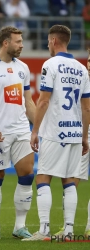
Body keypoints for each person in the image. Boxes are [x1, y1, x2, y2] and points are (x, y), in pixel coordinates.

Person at [23, 24, 90, 241]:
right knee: (70, 181)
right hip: (75, 132)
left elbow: (43, 101)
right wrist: (84, 136)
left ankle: (44, 230)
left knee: (43, 177)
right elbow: (87, 107)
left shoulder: (50, 65)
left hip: (55, 132)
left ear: (53, 41)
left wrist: (35, 131)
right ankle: (69, 231)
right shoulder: (82, 69)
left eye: (48, 41)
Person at [0, 26, 36, 240]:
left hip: (21, 130)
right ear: (5, 43)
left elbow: (28, 101)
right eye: (18, 41)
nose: (22, 45)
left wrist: (37, 128)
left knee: (27, 175)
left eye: (21, 41)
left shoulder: (23, 68)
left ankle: (20, 226)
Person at [53, 49, 90, 239]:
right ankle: (68, 226)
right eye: (89, 58)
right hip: (82, 132)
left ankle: (88, 227)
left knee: (71, 179)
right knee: (72, 180)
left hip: (82, 132)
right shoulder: (82, 75)